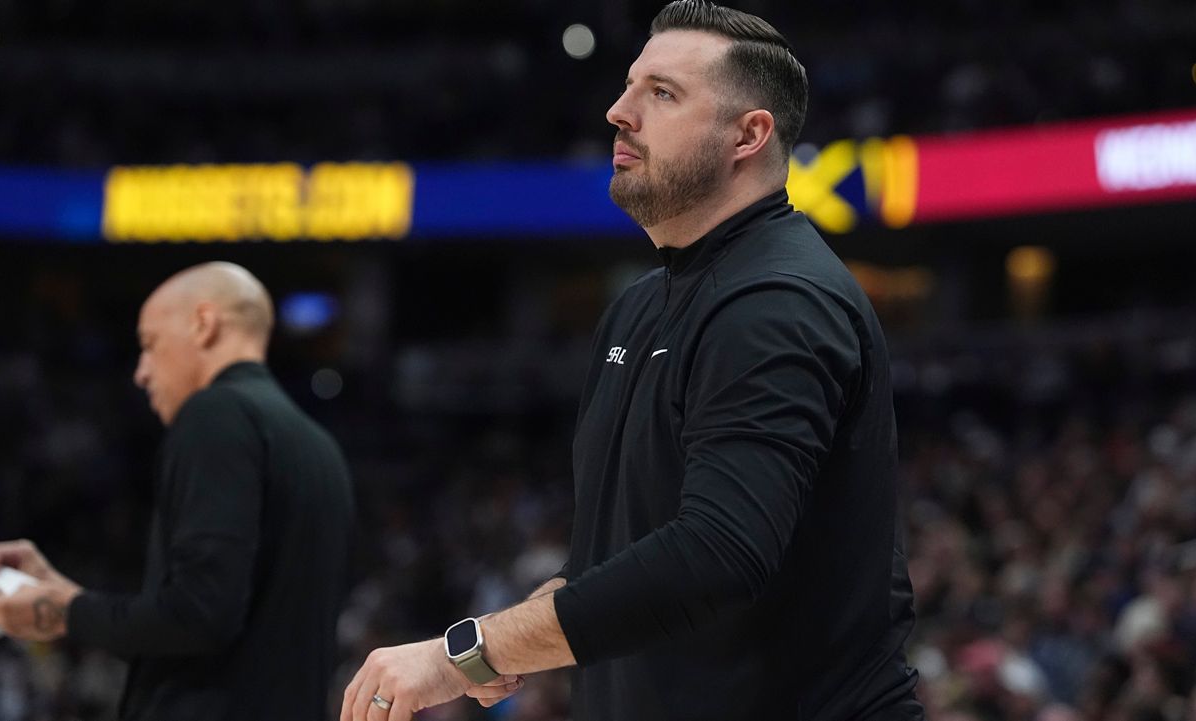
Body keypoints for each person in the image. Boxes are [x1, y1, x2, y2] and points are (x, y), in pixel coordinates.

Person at [339, 2, 923, 720]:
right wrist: (505, 639)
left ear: (749, 134)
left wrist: (471, 646)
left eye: (663, 94)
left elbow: (716, 554)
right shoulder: (642, 302)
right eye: (628, 86)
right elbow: (629, 552)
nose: (619, 112)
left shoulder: (778, 301)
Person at [0, 262, 356, 721]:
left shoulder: (214, 414)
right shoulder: (319, 447)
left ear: (203, 325)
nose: (141, 372)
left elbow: (200, 616)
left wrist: (66, 612)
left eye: (149, 345)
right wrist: (68, 596)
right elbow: (222, 645)